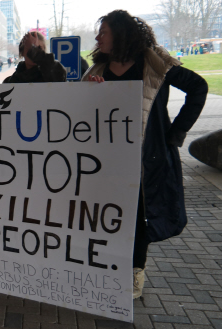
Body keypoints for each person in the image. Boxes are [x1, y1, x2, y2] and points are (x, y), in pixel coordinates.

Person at [84, 10, 207, 299]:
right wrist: (88, 93)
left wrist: (175, 133)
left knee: (139, 217)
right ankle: (112, 266)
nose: (97, 37)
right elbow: (81, 115)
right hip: (106, 161)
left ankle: (136, 271)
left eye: (103, 32)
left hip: (145, 158)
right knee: (111, 216)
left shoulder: (154, 65)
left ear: (121, 34)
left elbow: (198, 88)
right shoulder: (96, 71)